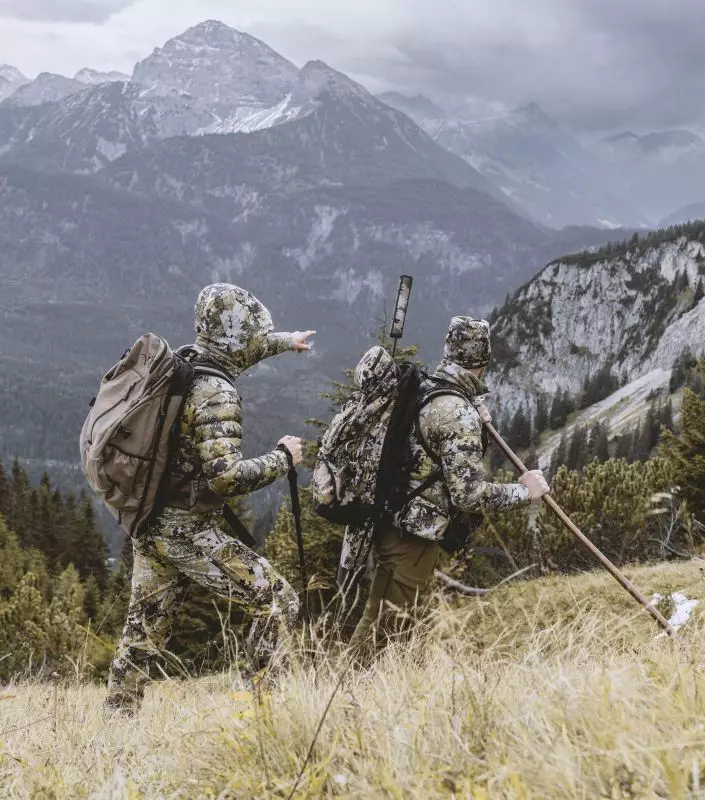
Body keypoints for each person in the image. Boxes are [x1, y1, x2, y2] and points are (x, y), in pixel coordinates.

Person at [106, 283, 315, 713]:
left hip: (151, 523)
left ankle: (115, 722)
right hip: (188, 532)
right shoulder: (216, 393)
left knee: (143, 633)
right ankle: (264, 709)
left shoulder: (187, 362)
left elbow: (240, 349)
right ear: (235, 337)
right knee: (278, 601)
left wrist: (285, 342)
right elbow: (226, 479)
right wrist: (283, 459)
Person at [350, 315, 550, 651]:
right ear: (483, 361)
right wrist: (524, 492)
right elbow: (469, 495)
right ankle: (346, 695)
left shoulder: (429, 387)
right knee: (385, 632)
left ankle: (377, 691)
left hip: (395, 521)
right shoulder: (457, 410)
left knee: (394, 624)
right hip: (410, 538)